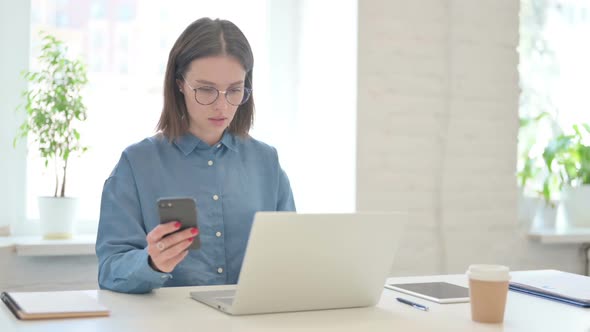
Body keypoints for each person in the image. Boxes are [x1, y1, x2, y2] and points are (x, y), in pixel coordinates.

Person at [96, 17, 296, 294]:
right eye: (205, 90)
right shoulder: (137, 163)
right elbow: (109, 270)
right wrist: (152, 263)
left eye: (235, 90)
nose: (222, 105)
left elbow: (291, 256)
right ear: (179, 84)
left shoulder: (267, 162)